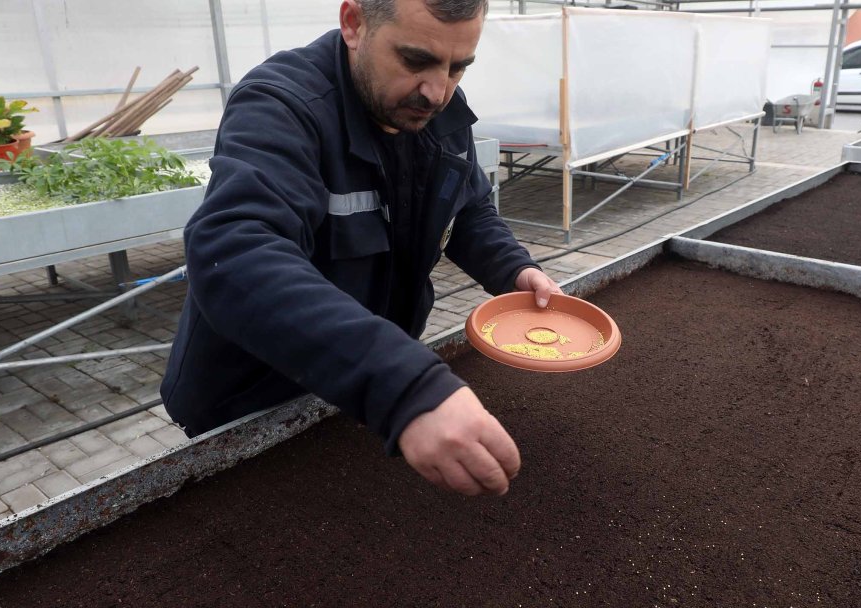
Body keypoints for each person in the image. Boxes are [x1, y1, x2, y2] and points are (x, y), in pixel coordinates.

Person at [160, 0, 561, 497]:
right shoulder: (281, 105)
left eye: (458, 67)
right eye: (415, 60)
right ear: (354, 24)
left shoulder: (437, 111)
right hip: (256, 402)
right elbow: (235, 253)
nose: (437, 91)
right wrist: (403, 385)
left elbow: (468, 208)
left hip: (361, 387)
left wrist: (513, 269)